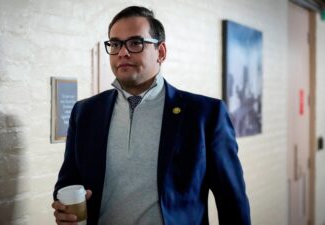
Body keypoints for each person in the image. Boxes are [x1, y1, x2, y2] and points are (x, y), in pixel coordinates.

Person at [52, 5, 251, 225]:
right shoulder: (86, 112)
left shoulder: (204, 114)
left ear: (161, 52)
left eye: (136, 43)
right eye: (116, 44)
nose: (123, 52)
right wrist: (63, 210)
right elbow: (68, 181)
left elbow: (232, 201)